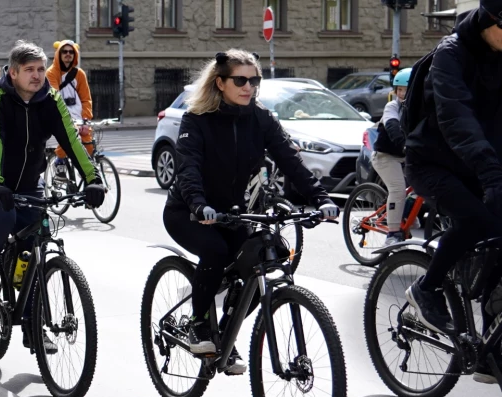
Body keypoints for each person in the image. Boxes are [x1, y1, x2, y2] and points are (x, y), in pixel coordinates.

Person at [165, 50, 339, 372]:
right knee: (215, 251)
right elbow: (188, 167)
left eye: (254, 80)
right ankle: (199, 324)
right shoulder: (197, 119)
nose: (249, 87)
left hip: (236, 214)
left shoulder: (261, 118)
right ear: (220, 82)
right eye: (240, 80)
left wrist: (321, 198)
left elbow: (291, 161)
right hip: (188, 212)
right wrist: (198, 204)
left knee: (264, 261)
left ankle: (224, 336)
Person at [404, 2, 502, 384]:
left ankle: (490, 350)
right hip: (433, 164)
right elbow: (456, 118)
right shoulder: (451, 54)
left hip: (480, 167)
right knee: (478, 221)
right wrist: (491, 171)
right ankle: (426, 288)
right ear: (489, 21)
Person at [0, 41, 104, 303]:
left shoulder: (51, 100)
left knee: (36, 236)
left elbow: (71, 139)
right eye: (29, 70)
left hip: (27, 181)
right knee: (2, 218)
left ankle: (31, 317)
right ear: (13, 73)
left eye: (40, 69)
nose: (37, 75)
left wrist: (92, 178)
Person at [371, 67, 411, 245]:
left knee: (425, 184)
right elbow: (392, 126)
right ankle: (393, 234)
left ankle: (405, 214)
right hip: (385, 156)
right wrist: (403, 144)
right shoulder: (392, 106)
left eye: (406, 90)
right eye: (399, 89)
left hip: (405, 156)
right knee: (398, 190)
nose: (402, 93)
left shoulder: (418, 109)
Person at [46, 40, 94, 184]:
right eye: (64, 51)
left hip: (78, 115)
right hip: (60, 113)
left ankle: (87, 173)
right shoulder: (51, 73)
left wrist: (86, 119)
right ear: (58, 54)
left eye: (71, 52)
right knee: (69, 136)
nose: (68, 54)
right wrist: (67, 119)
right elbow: (55, 97)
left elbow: (86, 98)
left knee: (88, 141)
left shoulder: (80, 74)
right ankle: (59, 161)